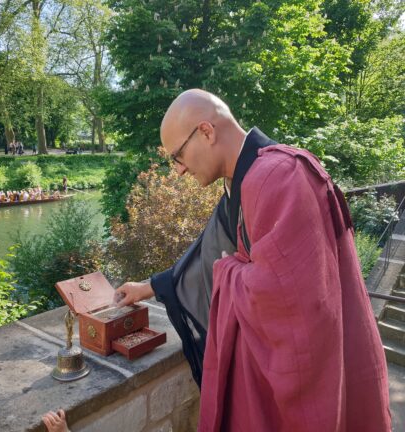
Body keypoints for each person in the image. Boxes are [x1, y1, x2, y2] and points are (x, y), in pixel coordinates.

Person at [114, 89, 390, 431]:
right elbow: (207, 255)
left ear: (206, 132)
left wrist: (228, 270)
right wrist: (149, 288)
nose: (180, 170)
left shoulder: (278, 175)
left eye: (178, 156)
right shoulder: (240, 181)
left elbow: (292, 302)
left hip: (311, 378)